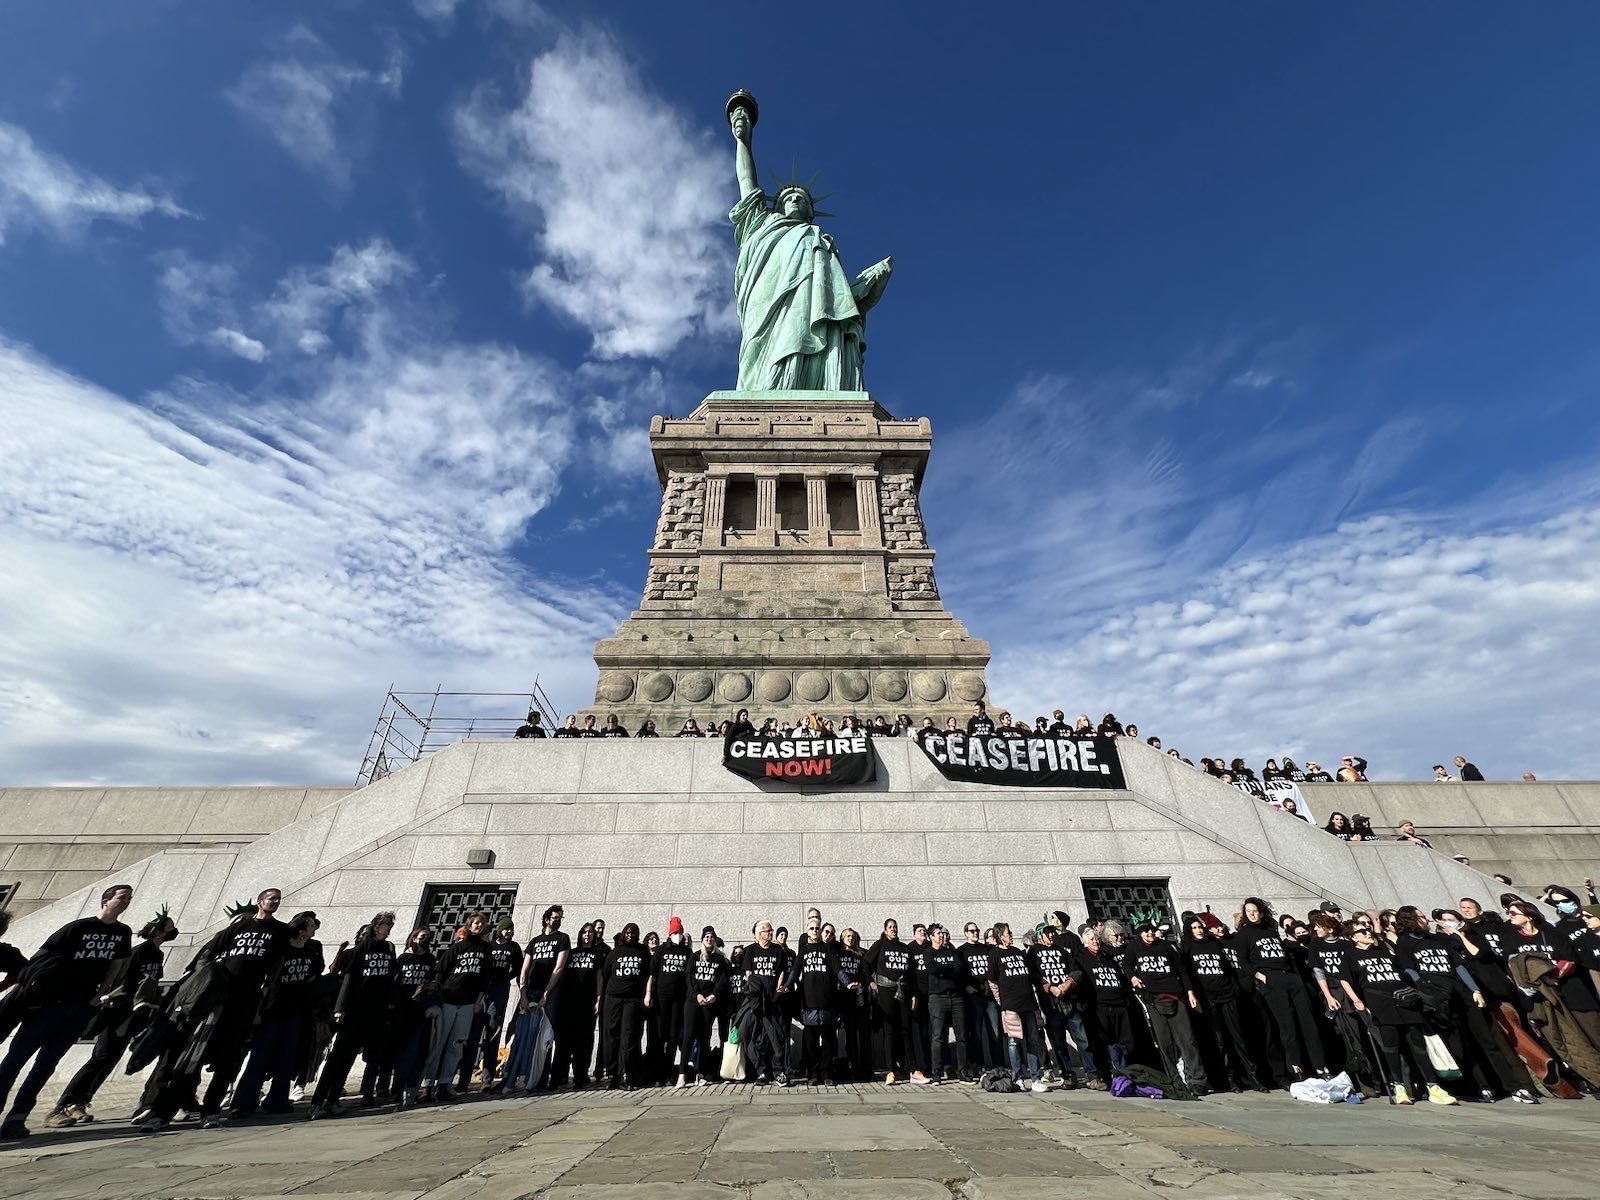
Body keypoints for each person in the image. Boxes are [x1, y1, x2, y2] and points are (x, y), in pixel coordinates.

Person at [0, 884, 134, 1139]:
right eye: (122, 897)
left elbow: (117, 965)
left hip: (80, 1007)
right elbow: (39, 960)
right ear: (106, 900)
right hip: (48, 1006)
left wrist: (99, 995)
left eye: (129, 898)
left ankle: (17, 1117)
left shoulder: (122, 932)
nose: (127, 901)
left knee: (46, 1064)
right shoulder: (78, 927)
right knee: (15, 1060)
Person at [47, 905, 175, 1128]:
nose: (173, 931)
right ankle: (63, 1105)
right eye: (170, 927)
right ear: (160, 930)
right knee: (100, 1057)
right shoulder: (139, 951)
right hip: (118, 1010)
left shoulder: (157, 954)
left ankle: (80, 1102)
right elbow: (122, 980)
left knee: (109, 1059)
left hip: (134, 1013)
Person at [1392, 908, 1536, 1103]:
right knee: (1461, 1045)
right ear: (1410, 920)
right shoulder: (1405, 943)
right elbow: (1409, 969)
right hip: (1438, 998)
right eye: (1421, 916)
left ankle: (1514, 1087)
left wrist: (1475, 989)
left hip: (1462, 993)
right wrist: (1425, 990)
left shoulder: (1438, 939)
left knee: (1487, 1041)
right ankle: (1482, 1087)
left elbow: (1458, 965)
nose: (1426, 919)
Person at [1340, 921, 1456, 1104]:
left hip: (1404, 998)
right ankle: (1399, 1086)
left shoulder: (1383, 951)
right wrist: (1356, 1000)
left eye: (1368, 929)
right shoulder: (1350, 955)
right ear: (1353, 937)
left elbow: (1401, 971)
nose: (1368, 933)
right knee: (1391, 1044)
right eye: (1362, 931)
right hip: (1380, 1001)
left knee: (1417, 1043)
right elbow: (1345, 979)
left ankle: (1433, 1086)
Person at [310, 910, 398, 1117]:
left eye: (391, 926)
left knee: (351, 1057)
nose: (388, 930)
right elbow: (349, 979)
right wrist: (340, 1008)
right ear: (377, 926)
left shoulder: (388, 949)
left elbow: (391, 978)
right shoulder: (361, 950)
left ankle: (333, 1100)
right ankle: (318, 1101)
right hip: (354, 1010)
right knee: (338, 1057)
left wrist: (390, 1003)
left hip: (375, 1011)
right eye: (386, 925)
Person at [1235, 897, 1327, 1082]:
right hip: (1270, 978)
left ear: (1261, 912)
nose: (1252, 914)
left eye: (1255, 910)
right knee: (1287, 1026)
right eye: (1248, 911)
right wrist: (1259, 975)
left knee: (1308, 1023)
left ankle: (1320, 1067)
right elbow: (1242, 961)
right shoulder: (1243, 934)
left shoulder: (1271, 931)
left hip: (1290, 977)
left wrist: (1295, 976)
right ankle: (1296, 1067)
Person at [1122, 920, 1209, 1095]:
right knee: (1164, 1043)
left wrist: (1190, 992)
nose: (1149, 934)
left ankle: (1198, 1080)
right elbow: (1126, 964)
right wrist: (1132, 977)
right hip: (1153, 999)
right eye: (1145, 931)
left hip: (1175, 995)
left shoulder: (1165, 946)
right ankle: (1174, 1080)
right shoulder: (1134, 947)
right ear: (1140, 933)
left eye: (1152, 930)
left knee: (1187, 1040)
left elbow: (1181, 970)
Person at [1180, 916, 1262, 1092]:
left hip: (1227, 995)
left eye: (1200, 927)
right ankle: (1229, 1080)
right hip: (1208, 999)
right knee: (1220, 1042)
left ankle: (1253, 1078)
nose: (1198, 930)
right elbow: (1187, 974)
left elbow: (1226, 967)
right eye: (1194, 928)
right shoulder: (1187, 948)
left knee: (1239, 1038)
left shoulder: (1213, 944)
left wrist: (1234, 989)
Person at [423, 910, 492, 1102]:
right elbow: (440, 972)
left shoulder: (486, 950)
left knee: (456, 1045)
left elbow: (485, 978)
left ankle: (445, 1083)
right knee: (439, 1043)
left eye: (482, 923)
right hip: (449, 1000)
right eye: (476, 923)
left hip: (468, 1003)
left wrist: (478, 1001)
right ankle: (427, 1084)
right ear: (469, 925)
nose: (479, 925)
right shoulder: (458, 947)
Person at [1027, 923, 1090, 1087]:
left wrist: (1068, 983)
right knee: (1058, 1041)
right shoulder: (1033, 952)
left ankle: (1092, 1074)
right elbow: (1032, 975)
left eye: (1052, 933)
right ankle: (1067, 1074)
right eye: (1047, 933)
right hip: (1050, 1003)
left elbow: (1076, 970)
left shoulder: (1062, 950)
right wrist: (1049, 988)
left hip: (1069, 1000)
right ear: (1040, 935)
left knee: (1082, 1039)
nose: (1051, 936)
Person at [988, 923, 1047, 1092]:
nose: (1011, 935)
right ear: (1001, 936)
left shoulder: (1017, 952)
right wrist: (1002, 1002)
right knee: (1014, 1042)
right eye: (1008, 933)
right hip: (1011, 1004)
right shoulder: (994, 954)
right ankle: (1018, 1077)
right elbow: (992, 981)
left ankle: (1035, 1078)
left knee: (1032, 1039)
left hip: (1027, 1002)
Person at [517, 905, 570, 1091]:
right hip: (530, 991)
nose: (557, 920)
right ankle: (522, 1076)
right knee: (526, 1035)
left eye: (560, 918)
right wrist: (523, 994)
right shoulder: (535, 941)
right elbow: (524, 969)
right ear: (547, 918)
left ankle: (541, 1078)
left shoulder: (562, 938)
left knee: (545, 1036)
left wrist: (547, 993)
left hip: (550, 992)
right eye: (555, 917)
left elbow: (559, 967)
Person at [1076, 927, 1132, 1085]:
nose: (1096, 942)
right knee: (1104, 1043)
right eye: (1092, 940)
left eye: (1097, 939)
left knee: (1123, 1041)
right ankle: (1110, 1075)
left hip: (1118, 1004)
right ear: (1085, 943)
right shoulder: (1081, 958)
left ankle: (1125, 1073)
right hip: (1099, 1006)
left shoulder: (1107, 957)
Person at [390, 927, 438, 1108]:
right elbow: (395, 981)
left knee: (416, 1051)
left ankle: (410, 1089)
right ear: (414, 938)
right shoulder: (403, 959)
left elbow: (434, 983)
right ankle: (396, 1087)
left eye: (428, 937)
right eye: (422, 936)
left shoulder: (430, 960)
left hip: (421, 1011)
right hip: (403, 1009)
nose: (425, 939)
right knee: (400, 1049)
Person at [738, 920, 790, 1085]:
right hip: (753, 1002)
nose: (771, 933)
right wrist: (754, 995)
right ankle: (761, 1071)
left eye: (771, 930)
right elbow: (748, 974)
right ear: (759, 934)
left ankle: (778, 1072)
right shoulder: (750, 950)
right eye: (768, 931)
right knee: (743, 1032)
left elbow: (781, 972)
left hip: (771, 1001)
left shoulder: (778, 950)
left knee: (775, 1038)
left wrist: (776, 993)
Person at [600, 923, 651, 1089]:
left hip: (633, 999)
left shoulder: (642, 951)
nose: (630, 935)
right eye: (628, 932)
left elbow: (648, 973)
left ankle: (625, 1074)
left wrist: (646, 994)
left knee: (628, 1036)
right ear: (623, 934)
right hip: (613, 998)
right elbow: (606, 972)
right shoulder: (615, 952)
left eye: (633, 933)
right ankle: (612, 1074)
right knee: (611, 1035)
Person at [793, 916, 843, 1085]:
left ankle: (827, 1074)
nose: (815, 931)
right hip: (809, 1003)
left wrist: (848, 982)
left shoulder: (828, 949)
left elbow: (838, 969)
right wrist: (786, 986)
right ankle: (813, 1074)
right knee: (810, 1043)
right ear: (808, 932)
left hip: (827, 1002)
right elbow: (795, 971)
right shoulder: (804, 950)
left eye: (817, 928)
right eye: (812, 928)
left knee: (828, 1042)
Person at [679, 926, 730, 1087]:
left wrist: (714, 995)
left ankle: (701, 1073)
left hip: (710, 1003)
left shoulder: (719, 959)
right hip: (693, 1001)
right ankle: (682, 1074)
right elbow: (689, 978)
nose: (709, 939)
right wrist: (697, 995)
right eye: (706, 937)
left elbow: (722, 980)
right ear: (702, 939)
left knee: (704, 1037)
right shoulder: (695, 957)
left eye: (711, 937)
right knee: (688, 1036)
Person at [552, 923, 600, 1089]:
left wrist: (598, 999)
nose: (587, 935)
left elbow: (599, 978)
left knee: (583, 1042)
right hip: (568, 1003)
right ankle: (559, 1076)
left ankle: (580, 1076)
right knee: (563, 1041)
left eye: (590, 932)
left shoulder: (597, 955)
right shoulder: (571, 953)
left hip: (586, 1003)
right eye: (584, 932)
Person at [863, 918, 911, 1084]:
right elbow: (866, 962)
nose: (893, 929)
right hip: (885, 991)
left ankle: (909, 1067)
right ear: (885, 930)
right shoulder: (880, 944)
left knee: (905, 1029)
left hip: (902, 991)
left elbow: (911, 970)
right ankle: (890, 1070)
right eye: (890, 927)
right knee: (889, 1030)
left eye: (895, 926)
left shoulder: (904, 947)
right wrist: (871, 981)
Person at [921, 924, 968, 1084]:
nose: (941, 936)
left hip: (956, 997)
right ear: (931, 937)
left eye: (942, 933)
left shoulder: (952, 951)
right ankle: (937, 1072)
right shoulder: (928, 952)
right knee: (938, 1036)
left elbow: (959, 969)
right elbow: (933, 969)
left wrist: (944, 970)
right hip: (938, 998)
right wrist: (949, 969)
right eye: (938, 933)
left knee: (962, 1035)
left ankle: (963, 1070)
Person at [649, 917, 692, 1086]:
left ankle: (668, 1072)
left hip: (678, 999)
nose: (678, 935)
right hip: (662, 998)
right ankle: (657, 1074)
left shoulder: (687, 951)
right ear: (670, 933)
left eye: (680, 932)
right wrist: (648, 994)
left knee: (673, 1036)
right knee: (660, 1036)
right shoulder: (661, 950)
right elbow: (652, 974)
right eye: (675, 932)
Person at [957, 920, 1001, 1072]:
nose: (975, 933)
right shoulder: (962, 951)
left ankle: (998, 1065)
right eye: (972, 931)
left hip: (989, 996)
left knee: (995, 1032)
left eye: (977, 930)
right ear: (966, 934)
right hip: (974, 997)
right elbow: (958, 972)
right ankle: (978, 1064)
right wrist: (966, 986)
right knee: (976, 1033)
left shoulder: (986, 949)